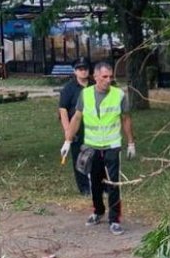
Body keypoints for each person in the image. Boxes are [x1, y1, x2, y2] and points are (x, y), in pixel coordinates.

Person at [61, 61, 135, 235]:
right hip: (92, 146)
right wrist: (68, 141)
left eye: (110, 77)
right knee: (94, 183)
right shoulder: (85, 95)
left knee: (113, 184)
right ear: (95, 77)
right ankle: (98, 211)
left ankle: (114, 220)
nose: (108, 80)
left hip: (112, 146)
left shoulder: (118, 95)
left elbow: (126, 119)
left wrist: (131, 142)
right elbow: (76, 118)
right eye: (104, 77)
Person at [58, 57, 93, 195]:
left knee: (97, 157)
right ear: (75, 71)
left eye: (85, 69)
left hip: (95, 126)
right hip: (77, 126)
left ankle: (101, 185)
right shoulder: (69, 88)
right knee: (79, 158)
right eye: (80, 69)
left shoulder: (95, 84)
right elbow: (63, 110)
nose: (83, 72)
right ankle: (84, 188)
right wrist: (68, 132)